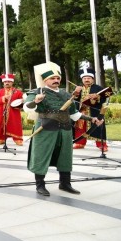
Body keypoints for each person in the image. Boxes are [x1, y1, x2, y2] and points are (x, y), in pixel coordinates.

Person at [23, 62, 103, 196]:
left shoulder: (66, 94)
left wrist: (91, 119)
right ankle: (40, 185)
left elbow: (74, 114)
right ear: (45, 80)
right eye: (52, 78)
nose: (56, 80)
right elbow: (27, 107)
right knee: (41, 156)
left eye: (58, 78)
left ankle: (65, 183)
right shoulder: (37, 92)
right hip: (45, 130)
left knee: (65, 157)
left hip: (65, 130)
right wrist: (36, 101)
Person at [72, 68, 108, 151]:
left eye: (88, 78)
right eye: (84, 78)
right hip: (82, 111)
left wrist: (97, 97)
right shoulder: (79, 88)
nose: (86, 80)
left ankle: (102, 144)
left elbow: (105, 98)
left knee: (97, 127)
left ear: (92, 79)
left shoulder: (98, 88)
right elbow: (74, 99)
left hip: (95, 111)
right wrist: (76, 93)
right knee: (80, 128)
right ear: (82, 79)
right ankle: (79, 143)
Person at [0, 73, 24, 146]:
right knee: (1, 125)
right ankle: (1, 139)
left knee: (15, 125)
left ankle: (18, 139)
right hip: (1, 112)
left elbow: (22, 100)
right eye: (5, 82)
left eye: (9, 81)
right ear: (3, 83)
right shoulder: (0, 91)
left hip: (13, 113)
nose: (7, 83)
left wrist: (21, 102)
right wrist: (4, 98)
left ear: (12, 82)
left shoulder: (17, 92)